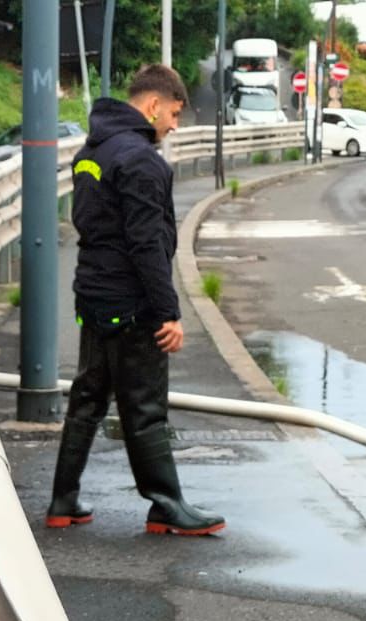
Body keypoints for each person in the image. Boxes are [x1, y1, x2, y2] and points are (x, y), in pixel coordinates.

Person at [45, 64, 225, 536]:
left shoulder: (92, 150)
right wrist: (168, 312)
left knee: (87, 397)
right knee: (145, 406)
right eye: (174, 113)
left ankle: (63, 501)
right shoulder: (142, 160)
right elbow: (148, 244)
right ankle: (166, 505)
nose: (174, 124)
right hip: (131, 303)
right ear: (153, 105)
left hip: (94, 294)